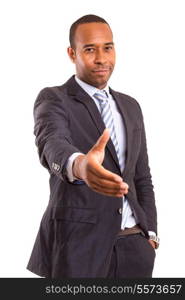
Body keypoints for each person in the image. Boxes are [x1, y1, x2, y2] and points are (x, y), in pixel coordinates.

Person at [27, 14, 159, 278]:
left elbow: (141, 176)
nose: (101, 58)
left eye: (107, 48)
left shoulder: (131, 106)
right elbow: (52, 143)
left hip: (135, 248)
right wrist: (79, 166)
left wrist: (151, 234)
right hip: (79, 248)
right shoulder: (54, 99)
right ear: (72, 53)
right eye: (89, 49)